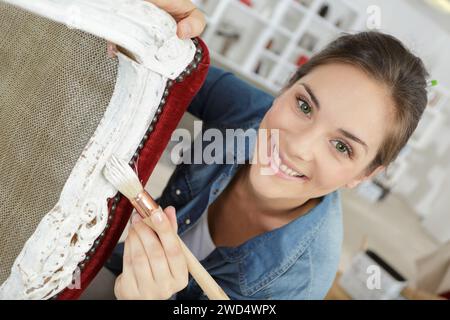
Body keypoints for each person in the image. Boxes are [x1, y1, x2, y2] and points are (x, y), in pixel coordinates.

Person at [105, 0, 429, 300]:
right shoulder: (249, 110)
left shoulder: (300, 282)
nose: (298, 146)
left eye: (342, 146)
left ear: (365, 174)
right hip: (102, 264)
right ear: (286, 87)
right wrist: (154, 23)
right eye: (303, 105)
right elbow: (161, 65)